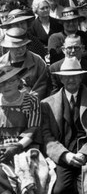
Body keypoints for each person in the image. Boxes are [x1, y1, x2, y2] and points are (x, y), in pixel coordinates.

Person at [41, 57, 87, 194]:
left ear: (81, 77)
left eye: (75, 76)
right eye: (66, 77)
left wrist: (85, 153)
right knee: (59, 189)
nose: (71, 80)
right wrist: (64, 155)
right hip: (63, 155)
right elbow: (47, 136)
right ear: (61, 79)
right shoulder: (47, 104)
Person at [0, 66, 50, 194]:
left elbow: (32, 129)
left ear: (18, 81)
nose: (6, 86)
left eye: (10, 81)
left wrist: (16, 146)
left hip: (24, 148)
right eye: (2, 83)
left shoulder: (30, 100)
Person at [0, 27, 48, 98]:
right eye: (17, 47)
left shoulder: (37, 60)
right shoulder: (1, 63)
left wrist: (29, 99)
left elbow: (43, 84)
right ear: (8, 47)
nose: (21, 49)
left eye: (23, 45)